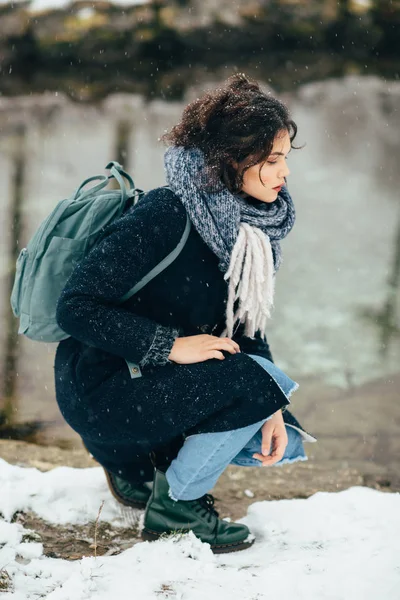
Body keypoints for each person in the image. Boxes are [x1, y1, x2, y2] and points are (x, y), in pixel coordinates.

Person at [54, 73, 316, 554]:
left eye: (285, 159)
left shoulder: (247, 232)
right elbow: (75, 308)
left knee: (268, 402)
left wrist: (271, 401)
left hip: (151, 392)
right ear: (231, 160)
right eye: (273, 160)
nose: (285, 173)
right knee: (249, 385)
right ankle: (176, 509)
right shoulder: (168, 213)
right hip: (102, 390)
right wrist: (170, 346)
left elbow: (245, 331)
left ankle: (137, 474)